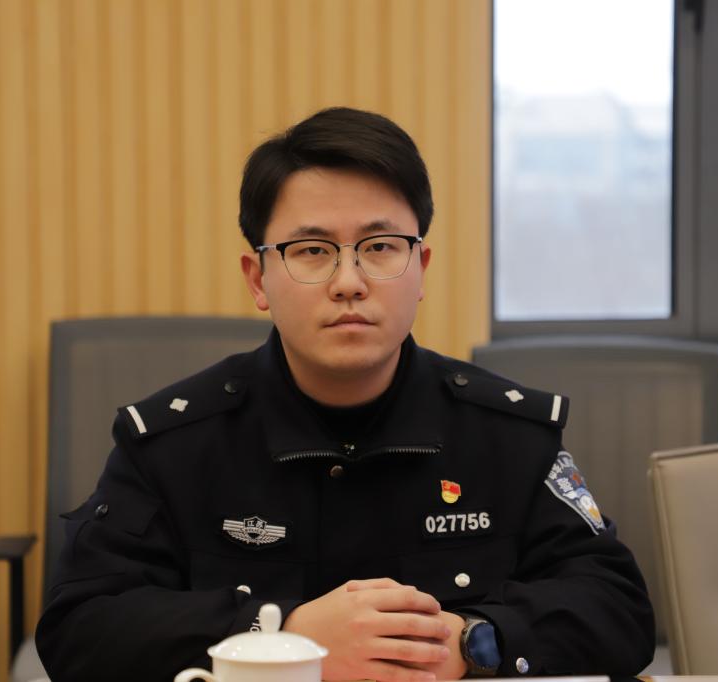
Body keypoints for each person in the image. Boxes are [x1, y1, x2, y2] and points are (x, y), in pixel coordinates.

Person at [35, 107, 655, 681]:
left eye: (380, 247)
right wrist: (283, 635)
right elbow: (80, 628)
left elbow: (618, 609)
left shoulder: (507, 434)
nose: (349, 282)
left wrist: (471, 641)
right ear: (258, 279)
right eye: (312, 251)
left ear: (421, 269)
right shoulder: (173, 444)